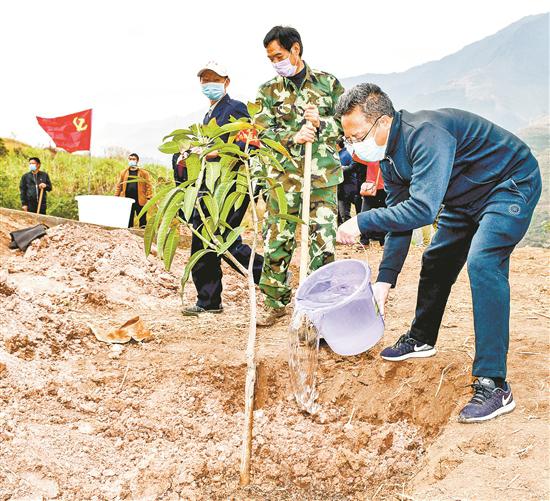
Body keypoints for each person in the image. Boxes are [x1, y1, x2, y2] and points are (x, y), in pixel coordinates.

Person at [335, 83, 542, 423]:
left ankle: (494, 383)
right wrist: (383, 283)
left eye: (358, 136)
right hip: (465, 197)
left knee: (483, 262)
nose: (355, 146)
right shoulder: (390, 157)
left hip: (509, 184)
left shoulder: (426, 134)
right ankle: (421, 338)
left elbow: (423, 210)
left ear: (383, 122)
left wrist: (362, 220)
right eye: (350, 140)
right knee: (436, 258)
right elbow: (401, 220)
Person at [255, 26, 344, 326]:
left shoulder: (328, 84)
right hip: (283, 181)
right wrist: (295, 135)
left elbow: (350, 125)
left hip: (322, 179)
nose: (275, 62)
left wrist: (321, 125)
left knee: (323, 242)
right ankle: (275, 302)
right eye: (270, 58)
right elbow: (263, 135)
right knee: (277, 241)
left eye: (278, 55)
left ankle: (319, 308)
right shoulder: (267, 92)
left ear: (296, 50)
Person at [182, 61, 264, 316]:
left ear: (226, 81)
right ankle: (208, 300)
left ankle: (272, 280)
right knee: (203, 238)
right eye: (204, 80)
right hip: (209, 188)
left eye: (213, 79)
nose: (208, 84)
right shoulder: (208, 116)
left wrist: (213, 153)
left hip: (230, 188)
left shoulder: (236, 109)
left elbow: (249, 145)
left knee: (225, 241)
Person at [115, 153, 152, 228]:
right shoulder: (124, 172)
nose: (132, 161)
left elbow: (148, 185)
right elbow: (119, 185)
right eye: (130, 159)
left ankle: (142, 233)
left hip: (140, 199)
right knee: (129, 219)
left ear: (137, 161)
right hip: (127, 200)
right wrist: (116, 196)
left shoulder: (143, 173)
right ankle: (129, 234)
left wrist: (149, 196)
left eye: (133, 159)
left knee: (142, 219)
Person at [357, 159, 387, 246]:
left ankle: (383, 240)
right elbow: (356, 157)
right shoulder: (370, 156)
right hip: (370, 189)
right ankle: (364, 240)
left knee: (383, 215)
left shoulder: (388, 158)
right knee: (364, 213)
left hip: (383, 189)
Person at [337, 139, 362, 225]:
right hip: (345, 188)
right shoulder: (341, 154)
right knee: (343, 214)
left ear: (337, 145)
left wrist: (340, 169)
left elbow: (351, 168)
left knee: (345, 213)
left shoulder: (344, 155)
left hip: (348, 188)